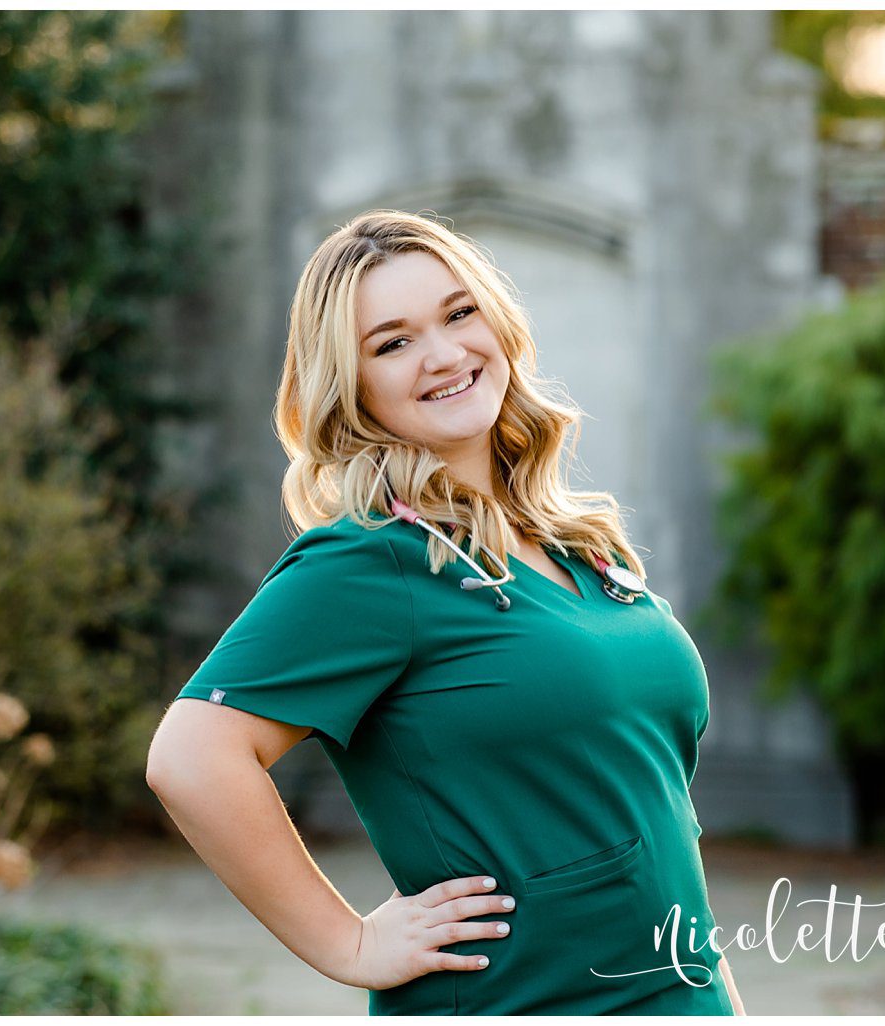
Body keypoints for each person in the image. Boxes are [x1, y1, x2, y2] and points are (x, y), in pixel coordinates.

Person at [145, 211, 747, 1014]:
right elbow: (192, 759)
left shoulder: (582, 549)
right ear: (350, 385)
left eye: (459, 314)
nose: (443, 354)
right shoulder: (372, 561)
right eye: (391, 342)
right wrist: (348, 942)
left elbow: (660, 818)